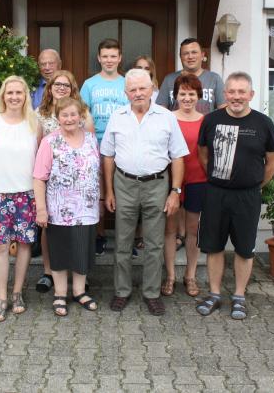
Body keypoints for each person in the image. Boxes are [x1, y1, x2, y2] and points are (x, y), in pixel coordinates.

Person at [101, 68, 189, 316]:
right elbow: (107, 156)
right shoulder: (117, 116)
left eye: (143, 88)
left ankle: (151, 293)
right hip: (124, 184)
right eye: (133, 89)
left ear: (152, 89)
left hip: (157, 185)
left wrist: (175, 191)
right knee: (122, 242)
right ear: (125, 92)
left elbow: (178, 157)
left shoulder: (166, 117)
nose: (138, 93)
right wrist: (109, 190)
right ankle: (122, 291)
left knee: (154, 243)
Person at [196, 71, 274, 320]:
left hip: (247, 196)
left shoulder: (263, 123)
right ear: (225, 93)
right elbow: (203, 154)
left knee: (245, 248)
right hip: (216, 194)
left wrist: (254, 184)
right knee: (214, 246)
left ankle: (239, 296)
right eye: (231, 91)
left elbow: (273, 162)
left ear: (251, 95)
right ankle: (213, 294)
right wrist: (218, 177)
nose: (236, 96)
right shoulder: (211, 120)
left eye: (241, 92)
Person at [0, 76, 42, 322]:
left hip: (26, 195)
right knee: (1, 247)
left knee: (24, 246)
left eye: (19, 93)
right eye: (10, 92)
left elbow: (40, 164)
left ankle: (17, 293)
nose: (14, 97)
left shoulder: (35, 124)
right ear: (3, 95)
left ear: (26, 96)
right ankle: (2, 297)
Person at [33, 97, 101, 316]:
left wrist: (99, 200)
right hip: (58, 209)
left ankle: (79, 292)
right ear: (58, 117)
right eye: (65, 115)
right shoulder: (49, 141)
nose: (70, 119)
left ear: (81, 116)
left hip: (87, 208)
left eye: (74, 114)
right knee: (60, 252)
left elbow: (96, 172)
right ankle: (60, 294)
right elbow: (39, 177)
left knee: (82, 251)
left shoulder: (91, 139)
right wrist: (41, 209)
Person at [80, 38, 128, 256]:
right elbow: (82, 116)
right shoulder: (89, 85)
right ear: (99, 58)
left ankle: (124, 241)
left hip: (124, 146)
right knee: (98, 194)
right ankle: (99, 236)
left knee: (123, 194)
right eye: (105, 56)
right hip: (96, 145)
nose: (109, 60)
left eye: (113, 56)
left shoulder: (127, 83)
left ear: (120, 58)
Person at [161, 74, 207, 298]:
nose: (187, 98)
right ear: (175, 95)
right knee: (170, 230)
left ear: (198, 96)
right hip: (171, 181)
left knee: (192, 231)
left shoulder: (206, 121)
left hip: (199, 180)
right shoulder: (166, 118)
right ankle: (170, 276)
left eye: (191, 94)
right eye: (182, 94)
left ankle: (190, 275)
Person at [155, 38, 224, 113]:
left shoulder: (214, 79)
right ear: (181, 57)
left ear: (202, 55)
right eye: (186, 53)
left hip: (206, 125)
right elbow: (160, 111)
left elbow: (224, 110)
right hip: (176, 124)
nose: (190, 57)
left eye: (194, 52)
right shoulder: (169, 80)